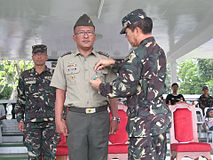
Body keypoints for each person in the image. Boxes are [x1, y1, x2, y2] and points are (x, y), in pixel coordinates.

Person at [90, 9, 171, 160]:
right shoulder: (158, 51)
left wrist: (100, 86)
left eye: (127, 32)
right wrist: (114, 63)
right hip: (159, 122)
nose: (126, 37)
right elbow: (140, 70)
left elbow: (125, 88)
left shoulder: (137, 54)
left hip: (143, 124)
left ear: (137, 30)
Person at [50, 14, 119, 160]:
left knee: (100, 156)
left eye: (90, 32)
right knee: (77, 156)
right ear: (74, 37)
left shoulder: (104, 60)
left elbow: (112, 92)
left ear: (94, 37)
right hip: (75, 117)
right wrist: (58, 119)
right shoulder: (64, 61)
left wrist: (115, 117)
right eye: (82, 32)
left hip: (100, 116)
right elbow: (60, 92)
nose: (86, 36)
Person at [15, 44, 59, 160]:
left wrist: (61, 118)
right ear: (32, 57)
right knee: (33, 156)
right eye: (36, 54)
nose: (39, 57)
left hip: (50, 123)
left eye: (42, 54)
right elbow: (20, 99)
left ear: (46, 57)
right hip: (31, 123)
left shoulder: (54, 75)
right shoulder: (25, 76)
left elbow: (60, 98)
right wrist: (20, 119)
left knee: (50, 155)